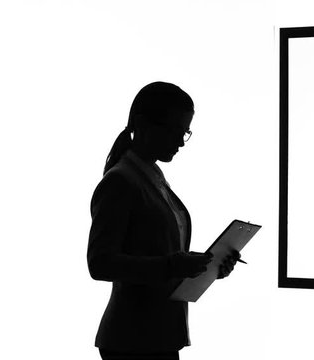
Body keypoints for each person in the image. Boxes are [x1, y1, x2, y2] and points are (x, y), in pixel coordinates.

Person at [87, 82, 240, 360]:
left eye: (186, 132)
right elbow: (100, 263)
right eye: (175, 131)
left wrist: (207, 268)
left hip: (157, 336)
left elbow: (160, 257)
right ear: (144, 124)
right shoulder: (120, 182)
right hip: (133, 340)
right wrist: (174, 265)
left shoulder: (152, 177)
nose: (181, 142)